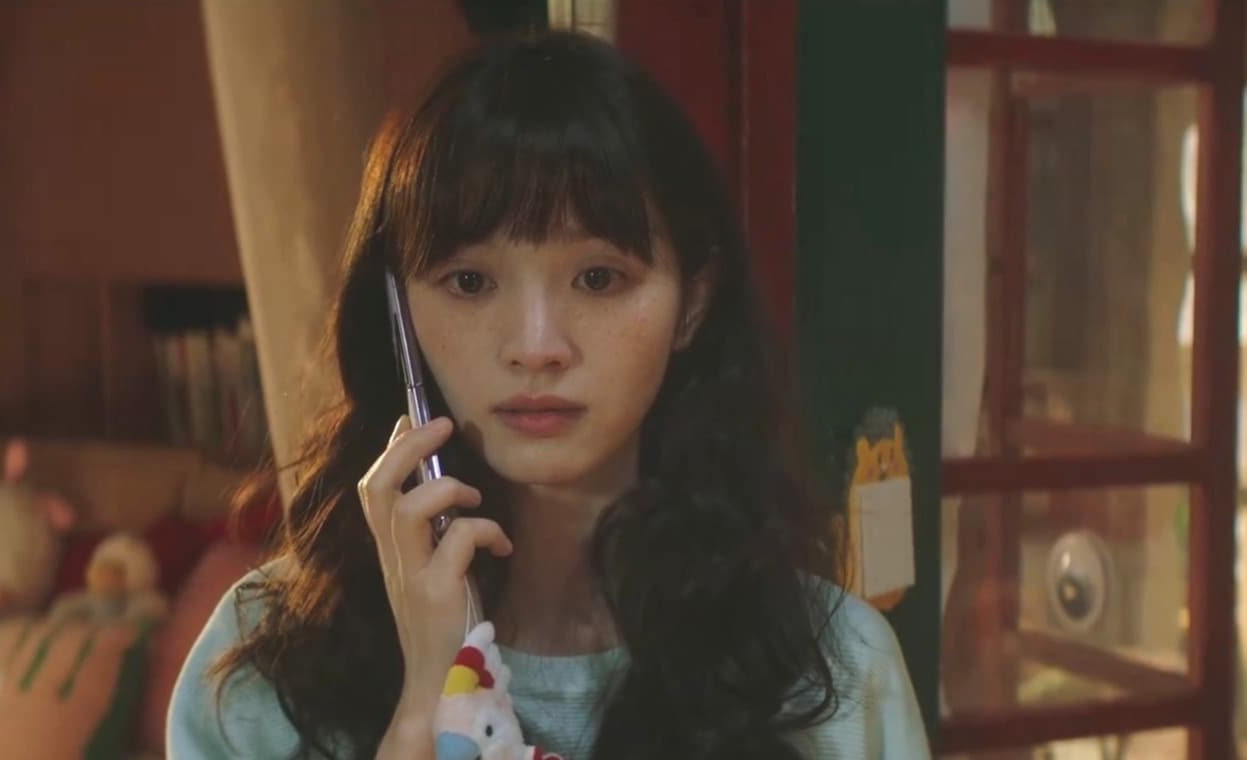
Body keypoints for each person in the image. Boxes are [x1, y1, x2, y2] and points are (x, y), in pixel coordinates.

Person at [168, 29, 931, 760]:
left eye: (598, 278)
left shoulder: (833, 672)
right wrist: (428, 702)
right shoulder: (263, 674)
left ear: (692, 304)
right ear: (398, 314)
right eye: (470, 282)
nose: (535, 347)